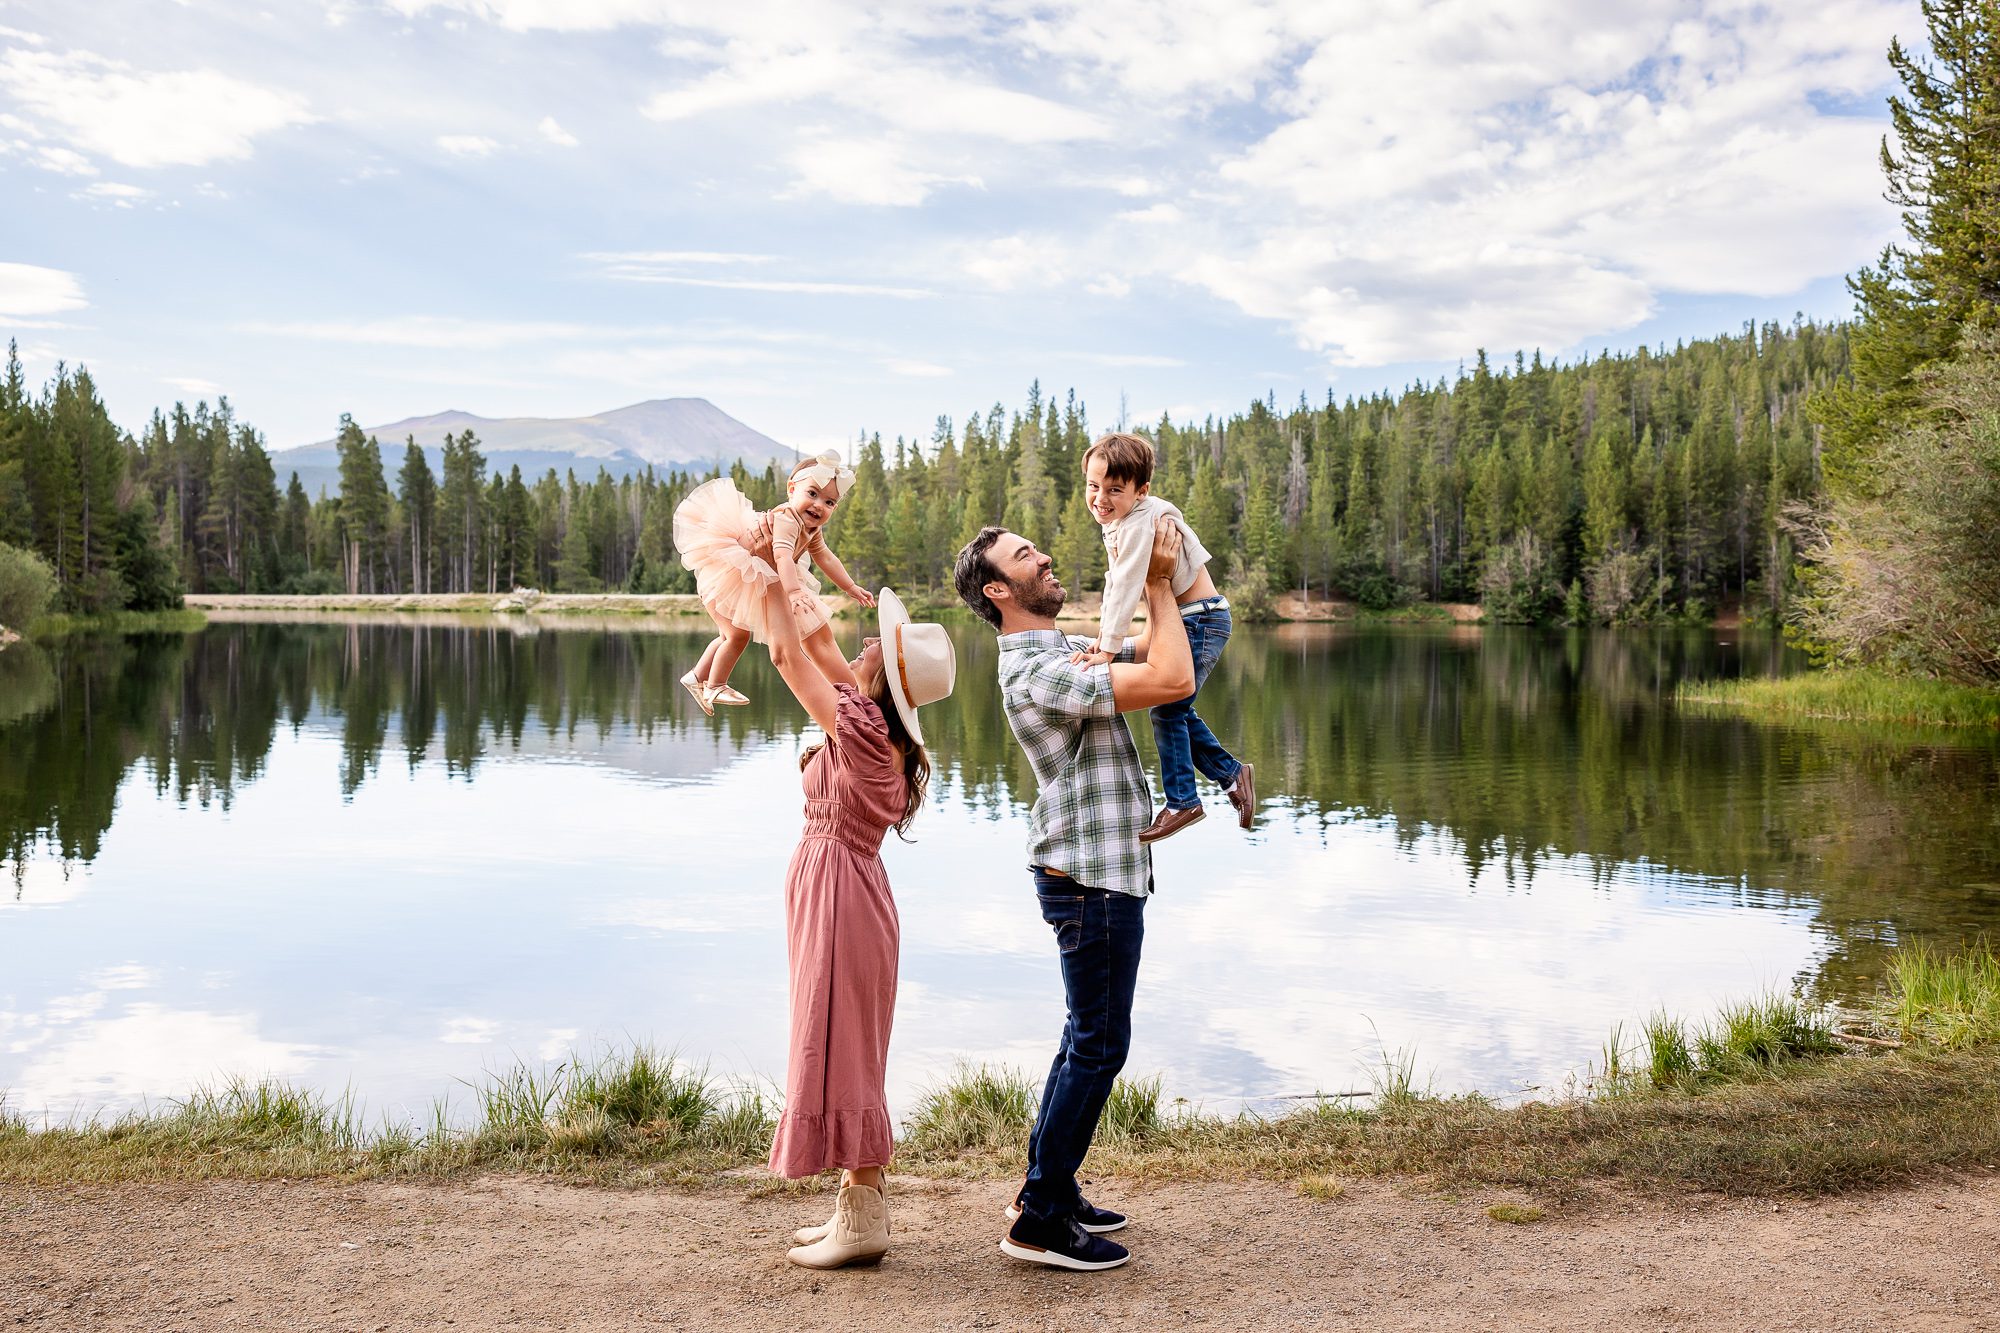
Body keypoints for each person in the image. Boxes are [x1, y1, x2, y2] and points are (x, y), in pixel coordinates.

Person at [951, 517, 1194, 1273]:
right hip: (1088, 878)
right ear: (999, 589)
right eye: (1025, 554)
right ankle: (1041, 1220)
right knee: (1099, 1043)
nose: (1045, 553)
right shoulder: (1036, 671)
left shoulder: (1060, 649)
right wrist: (1156, 582)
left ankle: (1042, 1192)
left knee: (1082, 1035)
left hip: (1093, 871)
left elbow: (1161, 653)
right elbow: (1174, 679)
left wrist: (1156, 592)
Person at [757, 572, 956, 1270]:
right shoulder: (870, 722)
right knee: (839, 1037)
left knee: (844, 1046)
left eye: (883, 643)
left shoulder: (869, 732)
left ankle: (864, 1216)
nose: (869, 639)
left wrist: (760, 586)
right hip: (837, 887)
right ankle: (854, 1206)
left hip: (842, 893)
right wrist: (789, 563)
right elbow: (812, 639)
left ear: (891, 676)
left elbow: (787, 657)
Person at [1071, 431, 1254, 842]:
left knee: (1167, 708)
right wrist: (1104, 643)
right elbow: (1115, 582)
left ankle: (1183, 801)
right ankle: (1232, 775)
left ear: (1141, 491)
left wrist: (1109, 647)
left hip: (1197, 620)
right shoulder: (1125, 519)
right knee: (1177, 711)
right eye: (1093, 485)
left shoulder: (1139, 524)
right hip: (1193, 617)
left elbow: (1125, 586)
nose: (1100, 497)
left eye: (1114, 489)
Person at [672, 451, 878, 716]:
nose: (818, 505)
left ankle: (696, 677)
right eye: (812, 494)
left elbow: (825, 557)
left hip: (755, 577)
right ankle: (715, 685)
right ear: (792, 489)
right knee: (736, 636)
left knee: (729, 635)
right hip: (733, 574)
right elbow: (781, 554)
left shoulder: (812, 528)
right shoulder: (786, 518)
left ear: (834, 508)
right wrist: (792, 592)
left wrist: (850, 587)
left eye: (829, 502)